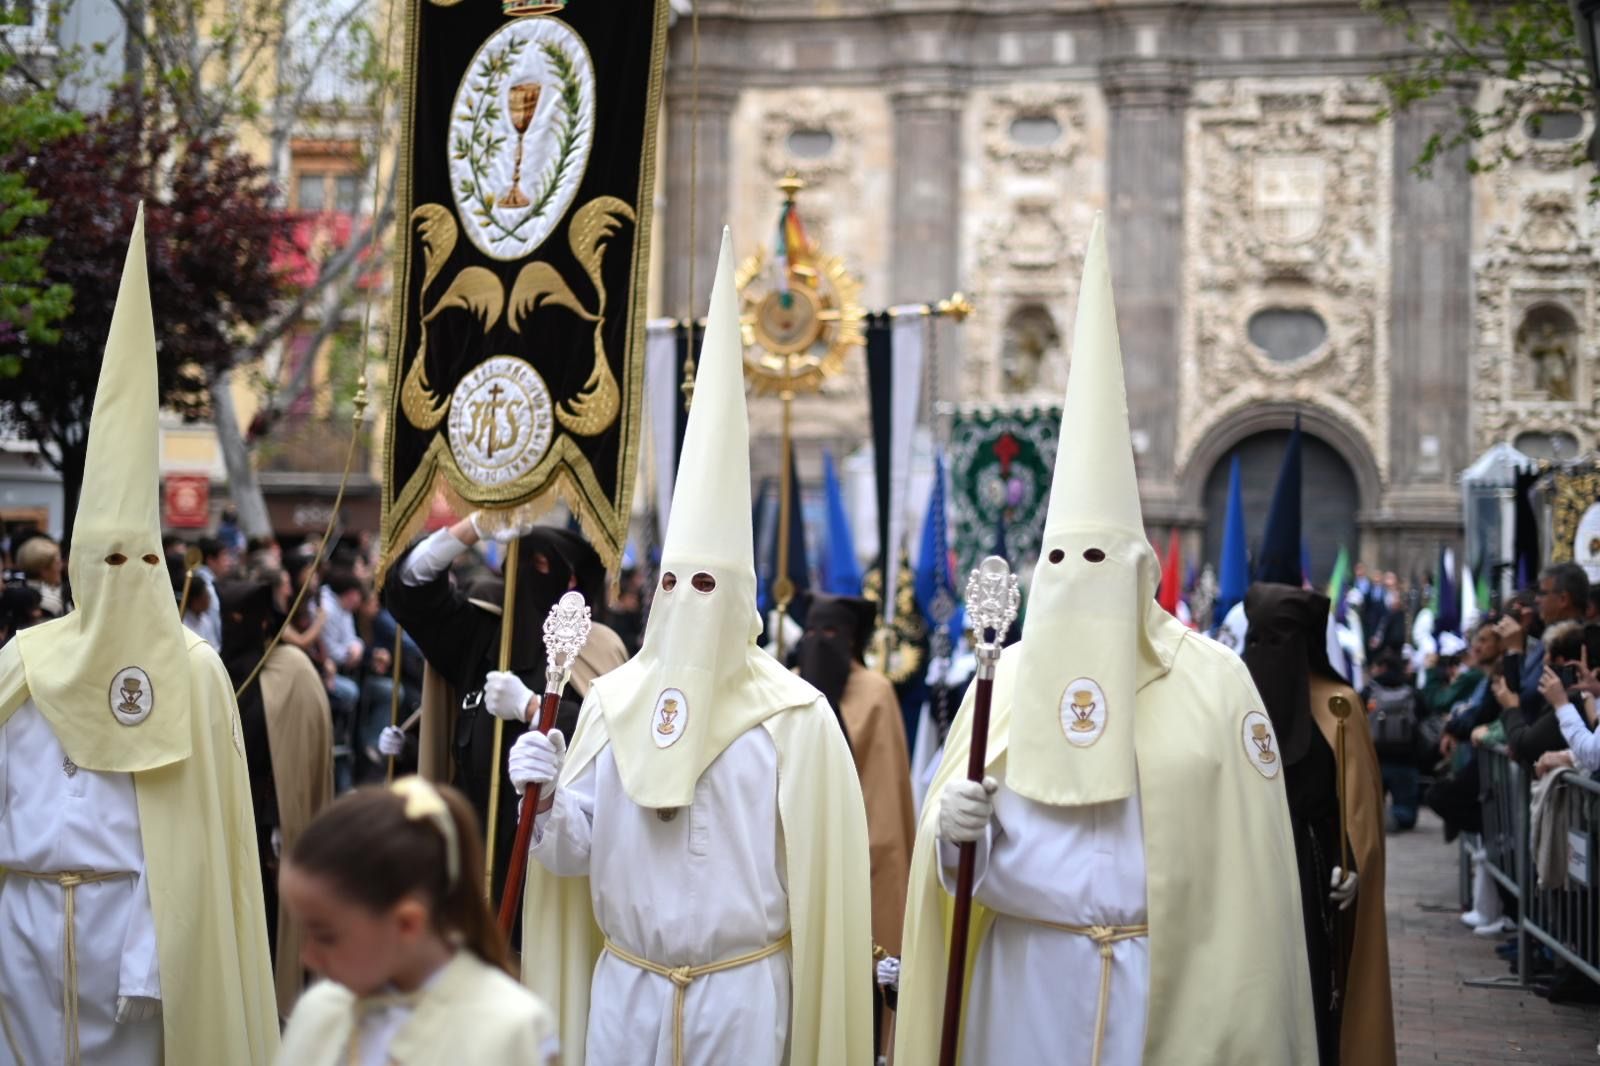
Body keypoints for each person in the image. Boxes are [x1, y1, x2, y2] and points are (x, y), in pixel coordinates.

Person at [894, 217, 1314, 1066]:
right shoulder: (1002, 679)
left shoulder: (1214, 681)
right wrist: (949, 834)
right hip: (1023, 983)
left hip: (1165, 987)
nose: (1079, 576)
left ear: (1141, 569)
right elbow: (954, 855)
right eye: (1060, 559)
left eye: (1099, 559)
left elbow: (1253, 877)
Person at [513, 230, 874, 1066]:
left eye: (707, 586)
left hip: (742, 1000)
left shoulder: (794, 718)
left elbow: (823, 887)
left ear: (741, 598)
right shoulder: (611, 704)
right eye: (673, 584)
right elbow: (573, 855)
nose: (686, 603)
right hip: (627, 994)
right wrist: (542, 796)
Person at [0, 208, 277, 1063]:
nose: (115, 574)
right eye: (99, 558)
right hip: (25, 931)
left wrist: (160, 954)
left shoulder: (189, 673)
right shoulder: (21, 663)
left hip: (132, 939)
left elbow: (203, 849)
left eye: (134, 557)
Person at [384, 514, 629, 910]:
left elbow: (612, 741)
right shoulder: (479, 637)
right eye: (521, 559)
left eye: (543, 564)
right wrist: (474, 527)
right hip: (470, 852)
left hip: (546, 857)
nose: (528, 573)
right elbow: (409, 590)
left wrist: (532, 708)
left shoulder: (598, 648)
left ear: (572, 583)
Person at [275, 779, 557, 1065]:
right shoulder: (321, 1010)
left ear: (408, 924)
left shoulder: (510, 1031)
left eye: (325, 936)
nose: (307, 957)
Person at [794, 592, 916, 1038]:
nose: (819, 642)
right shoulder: (791, 686)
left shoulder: (876, 692)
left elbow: (884, 799)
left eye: (831, 633)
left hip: (861, 857)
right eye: (811, 632)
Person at [219, 578, 335, 1017]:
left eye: (241, 619)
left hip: (273, 827)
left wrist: (283, 821)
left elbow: (296, 757)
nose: (235, 628)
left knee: (271, 919)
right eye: (228, 619)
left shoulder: (293, 671)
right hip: (231, 818)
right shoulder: (220, 668)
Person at [15, 533, 65, 618]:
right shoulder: (51, 603)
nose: (62, 566)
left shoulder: (11, 590)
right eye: (57, 562)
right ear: (43, 570)